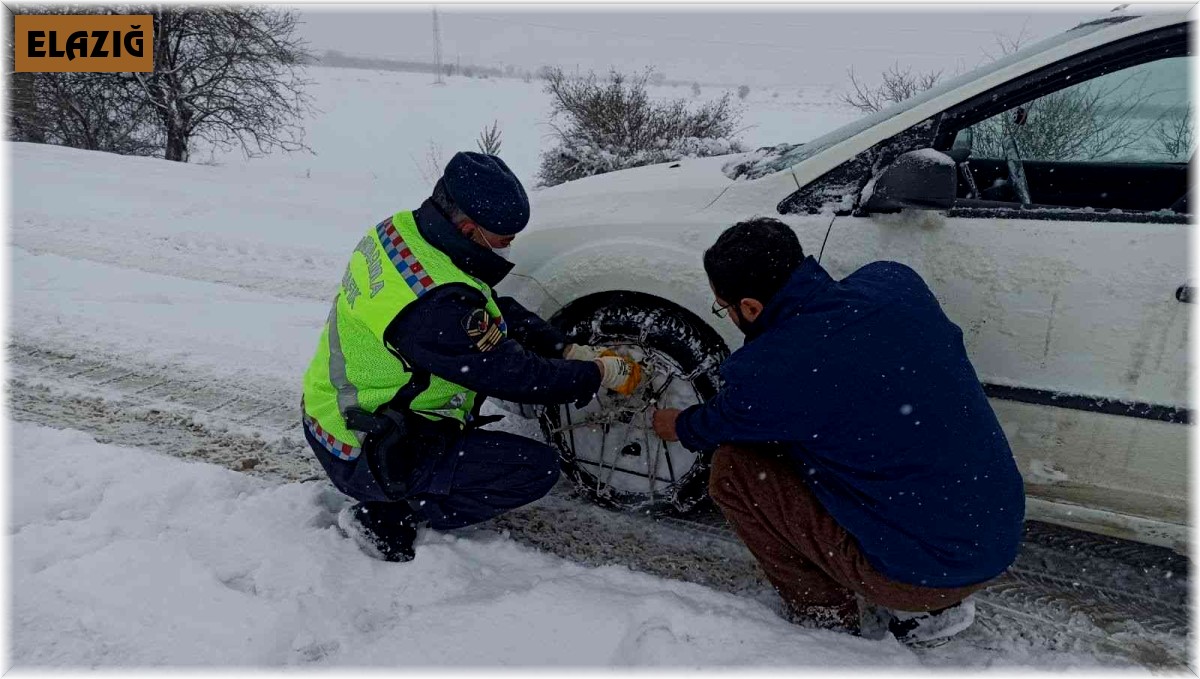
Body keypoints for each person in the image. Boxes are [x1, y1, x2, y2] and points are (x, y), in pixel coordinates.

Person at [651, 217, 1024, 646]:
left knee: (734, 470)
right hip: (997, 535)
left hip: (924, 574)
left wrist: (674, 422)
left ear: (750, 307)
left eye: (725, 307)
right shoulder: (895, 283)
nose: (729, 315)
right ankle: (931, 595)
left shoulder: (771, 371)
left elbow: (715, 424)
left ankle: (827, 620)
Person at [301, 151, 642, 563]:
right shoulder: (434, 305)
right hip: (363, 445)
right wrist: (596, 373)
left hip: (334, 410)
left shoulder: (405, 233)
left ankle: (404, 479)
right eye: (503, 238)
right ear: (467, 228)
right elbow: (515, 375)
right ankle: (390, 510)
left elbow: (488, 309)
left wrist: (562, 347)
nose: (510, 245)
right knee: (533, 470)